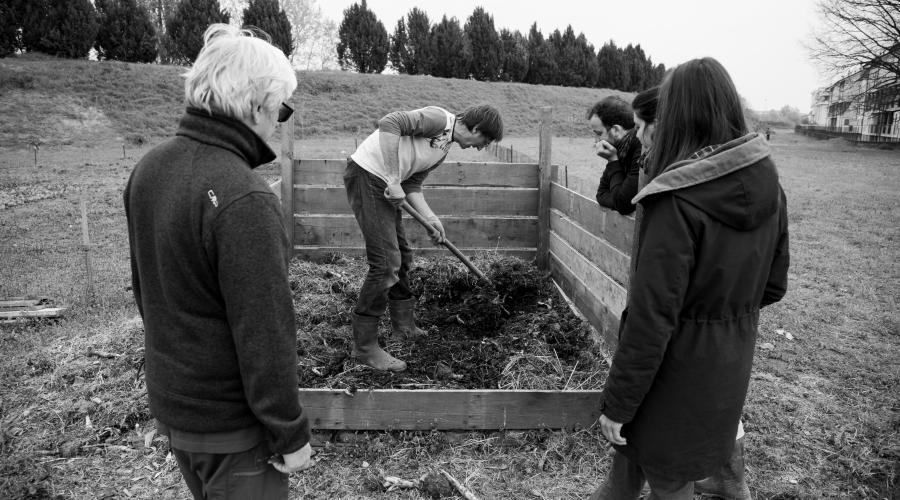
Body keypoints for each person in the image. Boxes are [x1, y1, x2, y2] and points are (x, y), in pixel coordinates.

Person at [124, 24, 312, 499]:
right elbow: (265, 329)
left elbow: (148, 293)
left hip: (178, 410)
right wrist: (288, 431)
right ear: (255, 105)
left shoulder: (150, 168)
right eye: (282, 109)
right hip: (235, 432)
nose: (281, 122)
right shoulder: (243, 197)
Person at [591, 57, 790, 499]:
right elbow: (774, 285)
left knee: (668, 478)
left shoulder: (674, 200)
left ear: (677, 115)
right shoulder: (770, 185)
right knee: (628, 470)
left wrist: (618, 404)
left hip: (670, 374)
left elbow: (651, 318)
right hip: (727, 365)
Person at [344, 105, 503, 371]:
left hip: (386, 184)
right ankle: (364, 347)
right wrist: (393, 178)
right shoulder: (439, 120)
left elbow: (412, 185)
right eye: (482, 141)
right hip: (367, 176)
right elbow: (389, 122)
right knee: (385, 264)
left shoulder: (442, 149)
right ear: (475, 128)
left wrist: (430, 218)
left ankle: (403, 326)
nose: (479, 148)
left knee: (402, 256)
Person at [588, 96, 643, 216]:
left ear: (616, 130)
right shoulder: (619, 149)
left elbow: (624, 205)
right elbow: (601, 194)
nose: (596, 141)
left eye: (599, 134)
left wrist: (613, 161)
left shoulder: (640, 146)